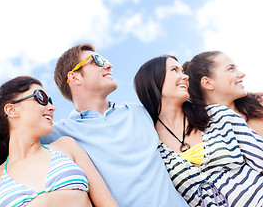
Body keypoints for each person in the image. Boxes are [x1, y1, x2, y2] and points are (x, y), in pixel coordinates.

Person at [40, 43, 188, 207]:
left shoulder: (141, 112)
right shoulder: (56, 136)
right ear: (75, 77)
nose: (109, 65)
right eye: (97, 60)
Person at [134, 55, 263, 207]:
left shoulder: (217, 115)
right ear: (154, 81)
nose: (185, 76)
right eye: (174, 70)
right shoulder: (153, 145)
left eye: (183, 71)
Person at [0, 76, 118, 207]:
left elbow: (107, 204)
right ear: (12, 110)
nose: (52, 107)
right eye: (41, 98)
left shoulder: (66, 146)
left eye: (50, 101)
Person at [183, 51, 263, 136]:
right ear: (207, 83)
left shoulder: (258, 104)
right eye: (230, 69)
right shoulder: (204, 134)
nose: (242, 74)